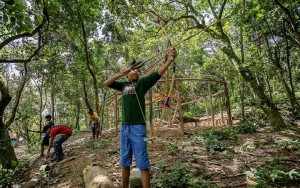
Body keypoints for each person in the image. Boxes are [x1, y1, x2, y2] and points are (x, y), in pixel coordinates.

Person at [103, 47, 177, 188]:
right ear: (128, 74)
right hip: (124, 128)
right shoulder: (123, 85)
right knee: (125, 162)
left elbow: (157, 74)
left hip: (138, 128)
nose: (137, 71)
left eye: (138, 71)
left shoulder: (142, 83)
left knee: (143, 162)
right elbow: (106, 83)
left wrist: (169, 60)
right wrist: (121, 73)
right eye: (134, 70)